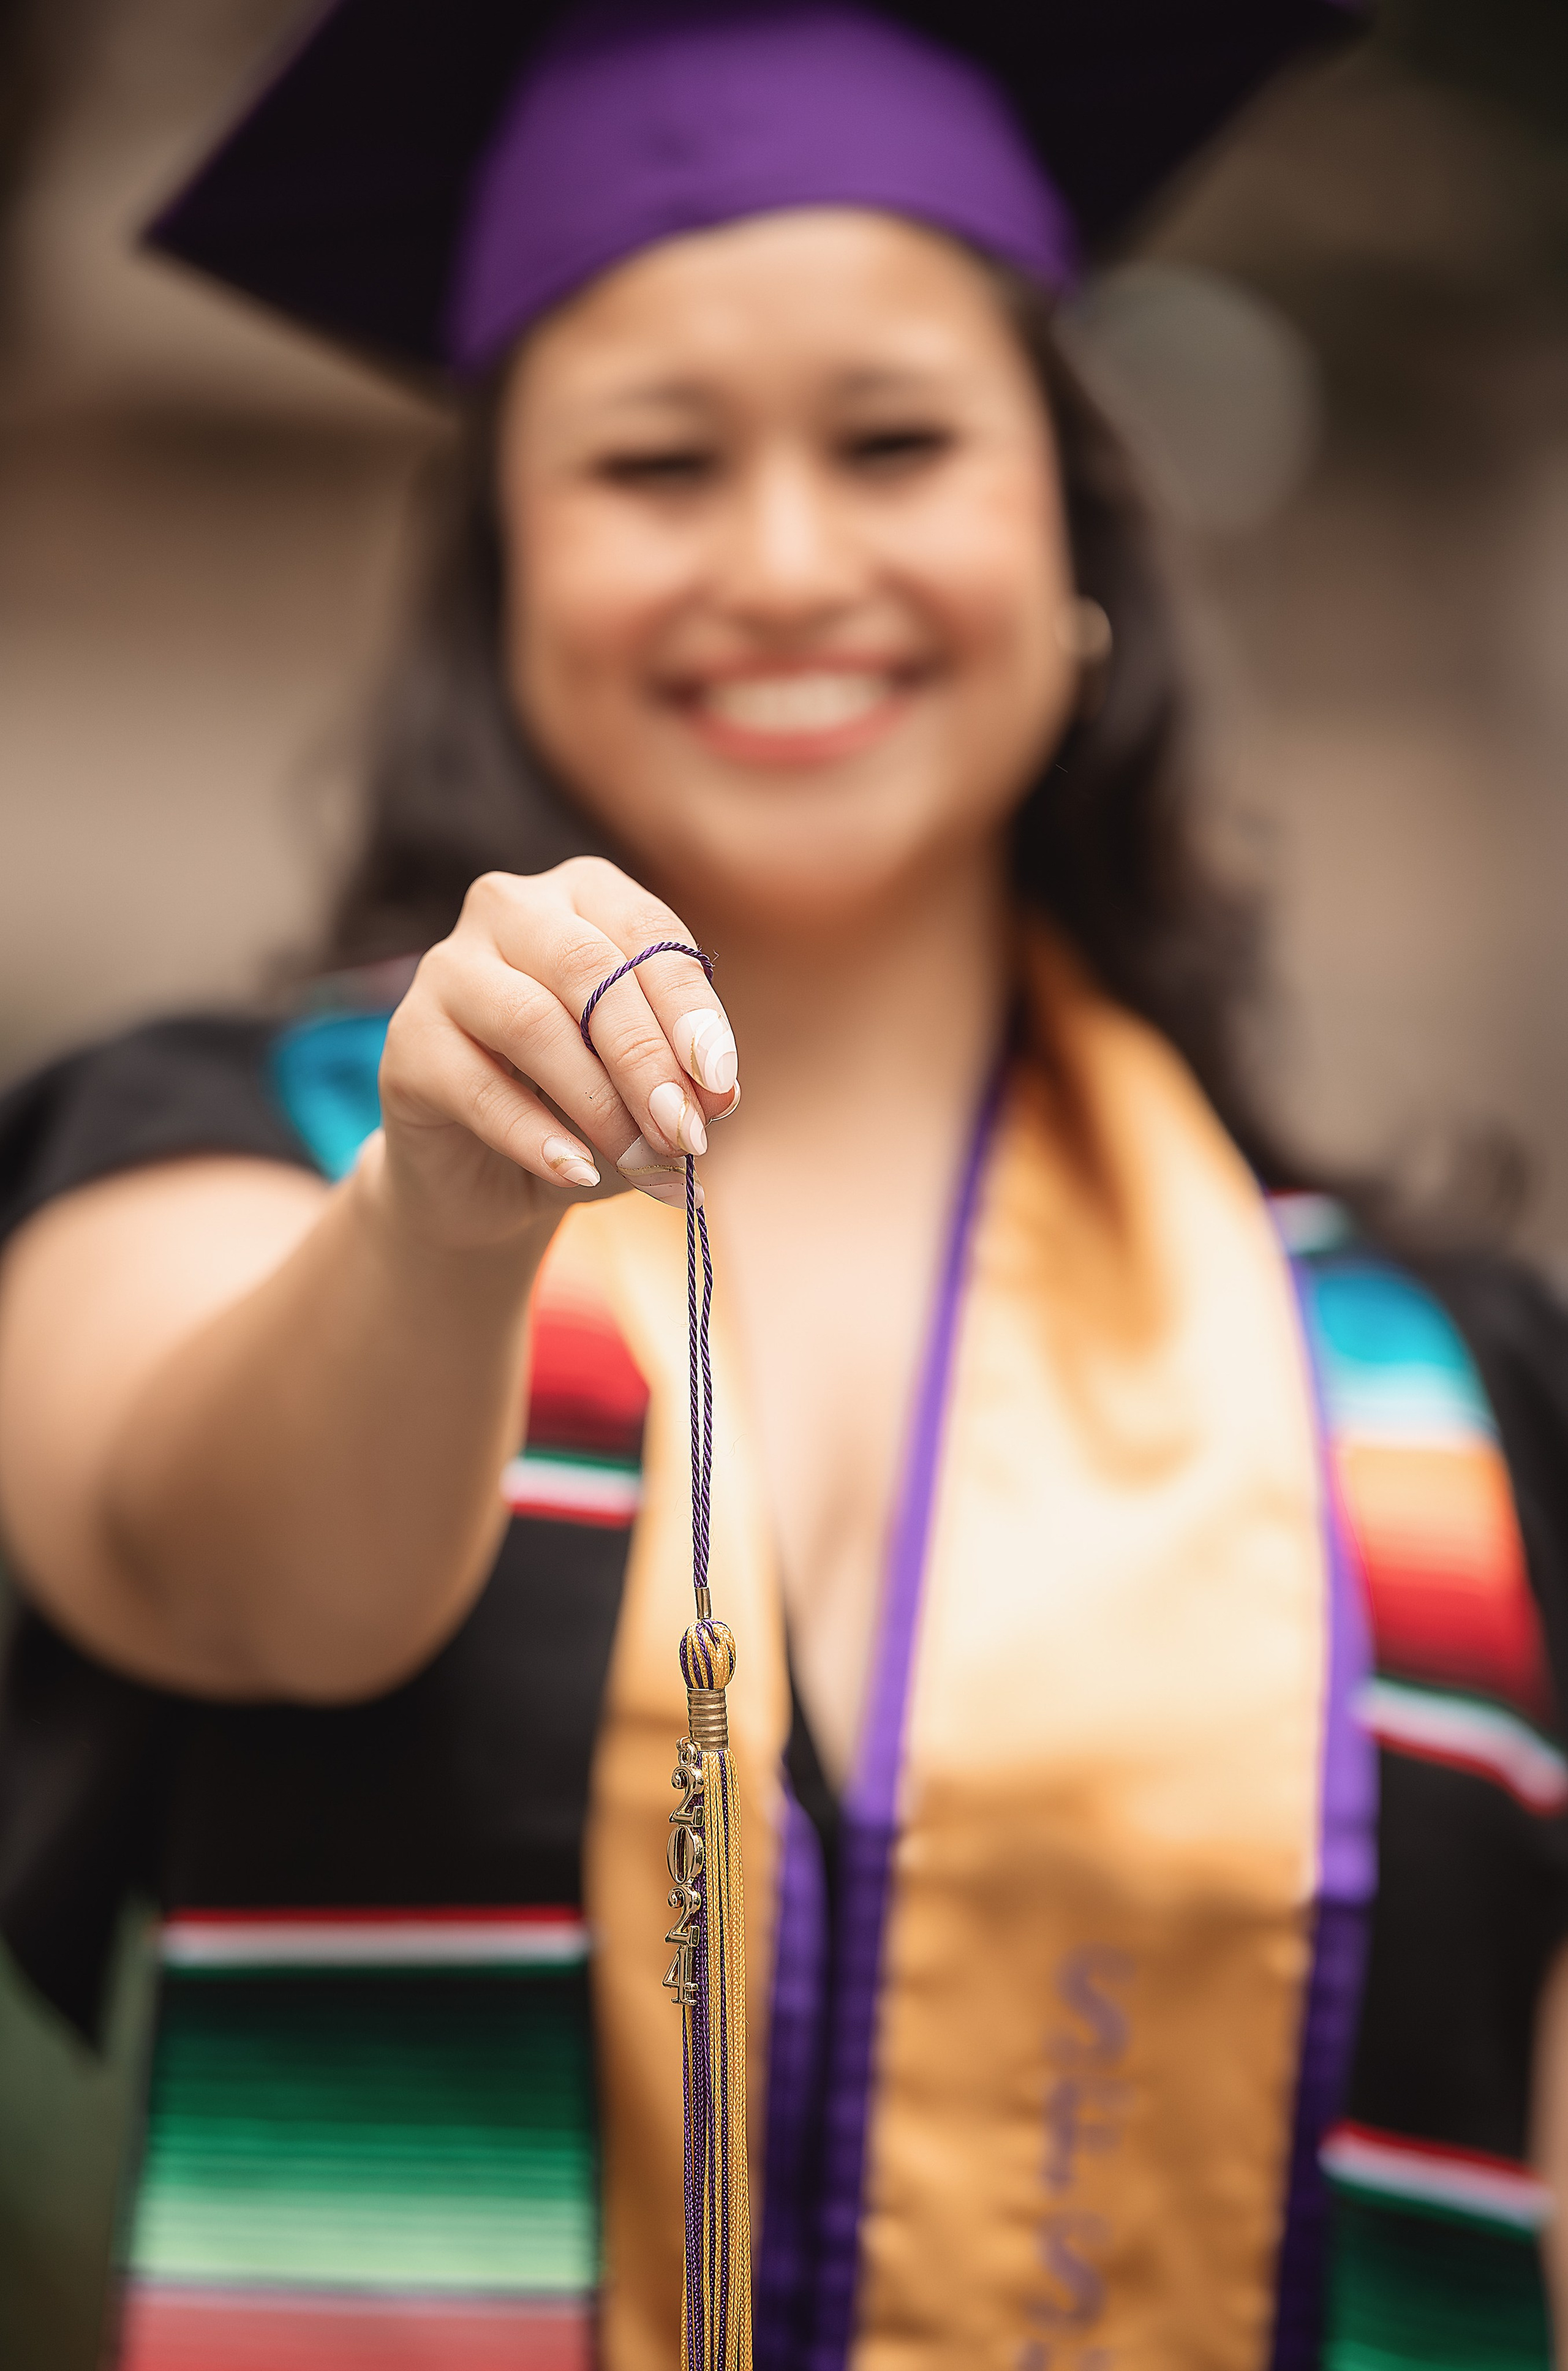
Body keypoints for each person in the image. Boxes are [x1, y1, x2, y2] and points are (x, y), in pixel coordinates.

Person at [1, 3, 1566, 2367]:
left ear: (1077, 541)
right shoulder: (219, 1167)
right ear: (503, 576)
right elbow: (253, 1578)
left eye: (899, 440)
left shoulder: (1444, 1387)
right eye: (655, 465)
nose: (788, 558)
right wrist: (443, 1206)